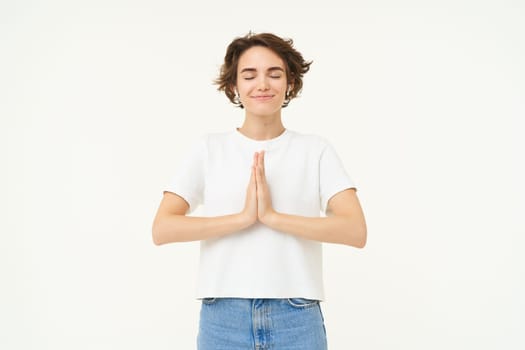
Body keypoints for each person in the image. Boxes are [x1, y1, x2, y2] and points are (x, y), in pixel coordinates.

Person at [152, 32, 367, 350]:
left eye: (274, 74)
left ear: (290, 82)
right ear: (233, 86)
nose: (262, 84)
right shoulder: (208, 148)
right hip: (223, 317)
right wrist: (242, 218)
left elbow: (355, 230)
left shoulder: (315, 150)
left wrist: (272, 217)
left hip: (296, 316)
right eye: (249, 75)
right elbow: (162, 228)